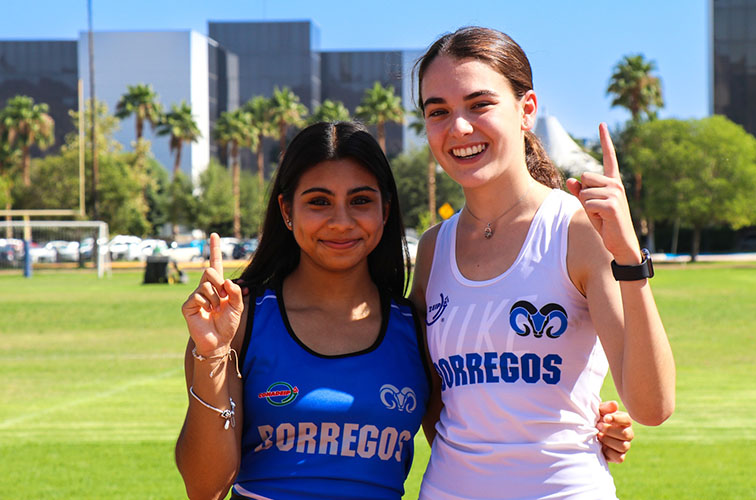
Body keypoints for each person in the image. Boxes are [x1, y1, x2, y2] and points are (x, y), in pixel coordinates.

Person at [174, 121, 634, 499]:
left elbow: (468, 432)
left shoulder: (414, 324)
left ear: (385, 211)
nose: (341, 221)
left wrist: (584, 422)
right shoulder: (242, 319)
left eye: (360, 201)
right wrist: (211, 354)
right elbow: (205, 486)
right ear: (287, 210)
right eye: (318, 202)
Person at [410, 27, 676, 499]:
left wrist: (629, 257)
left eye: (479, 104)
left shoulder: (576, 230)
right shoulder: (432, 249)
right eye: (439, 111)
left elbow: (652, 406)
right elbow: (433, 400)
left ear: (526, 109)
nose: (460, 128)